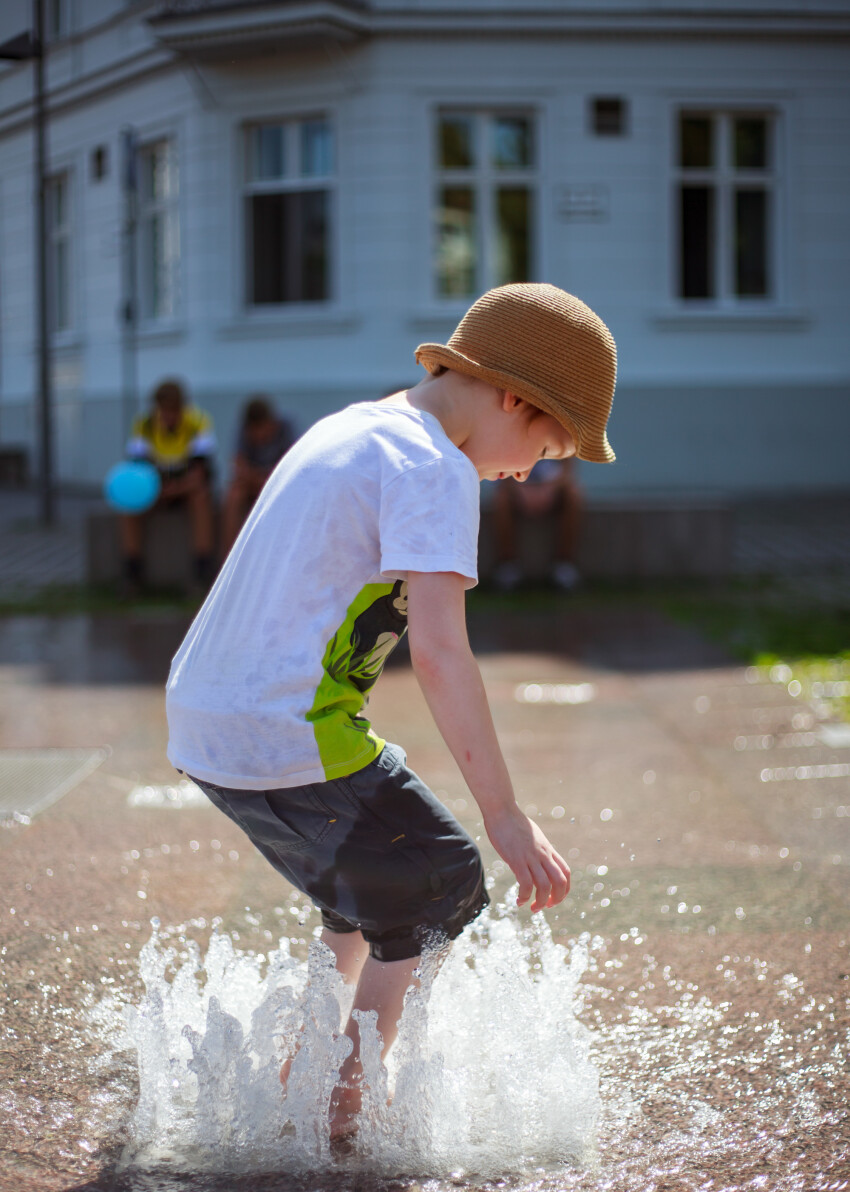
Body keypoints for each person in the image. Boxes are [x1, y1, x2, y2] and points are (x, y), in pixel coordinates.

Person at [165, 283, 617, 1139]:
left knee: (369, 883)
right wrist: (505, 816)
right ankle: (347, 1101)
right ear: (516, 398)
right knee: (442, 880)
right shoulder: (433, 467)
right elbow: (442, 653)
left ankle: (300, 1072)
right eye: (544, 447)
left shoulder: (356, 426)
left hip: (206, 718)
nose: (529, 473)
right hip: (281, 723)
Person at [120, 380, 217, 596]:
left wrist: (174, 489)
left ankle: (202, 570)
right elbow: (136, 470)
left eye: (173, 411)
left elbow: (200, 474)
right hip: (154, 487)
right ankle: (132, 572)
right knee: (129, 505)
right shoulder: (144, 425)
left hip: (184, 489)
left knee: (201, 498)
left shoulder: (198, 422)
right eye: (164, 411)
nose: (168, 417)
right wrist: (157, 490)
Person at [491, 455, 583, 591]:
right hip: (518, 488)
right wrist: (520, 488)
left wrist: (549, 488)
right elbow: (501, 470)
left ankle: (564, 566)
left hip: (552, 488)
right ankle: (508, 566)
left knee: (573, 495)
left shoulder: (563, 433)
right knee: (501, 499)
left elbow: (568, 468)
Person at [221, 397, 294, 560]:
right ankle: (230, 560)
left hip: (279, 485)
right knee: (233, 495)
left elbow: (291, 469)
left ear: (271, 423)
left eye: (261, 429)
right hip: (255, 484)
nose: (258, 436)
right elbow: (239, 467)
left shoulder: (286, 429)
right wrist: (260, 477)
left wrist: (259, 476)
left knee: (288, 495)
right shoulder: (243, 431)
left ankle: (284, 558)